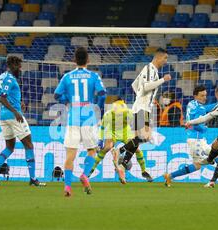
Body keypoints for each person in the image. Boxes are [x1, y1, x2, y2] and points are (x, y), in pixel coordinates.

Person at [163, 85, 218, 187]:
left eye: (205, 95)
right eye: (202, 96)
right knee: (198, 165)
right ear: (195, 96)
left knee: (216, 155)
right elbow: (196, 124)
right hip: (196, 140)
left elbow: (206, 108)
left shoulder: (192, 104)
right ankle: (170, 176)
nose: (204, 98)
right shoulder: (200, 109)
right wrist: (205, 128)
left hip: (198, 139)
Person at [54, 47, 107, 197]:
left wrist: (67, 102)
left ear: (74, 60)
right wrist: (97, 106)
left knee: (70, 155)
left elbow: (57, 94)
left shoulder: (67, 77)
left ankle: (68, 187)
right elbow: (103, 93)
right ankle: (84, 175)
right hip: (88, 118)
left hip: (73, 118)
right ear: (88, 60)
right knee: (92, 150)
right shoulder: (93, 76)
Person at [0, 56, 45, 187]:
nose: (20, 68)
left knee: (10, 147)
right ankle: (33, 179)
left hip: (3, 117)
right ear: (12, 65)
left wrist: (18, 104)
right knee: (29, 145)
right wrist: (15, 111)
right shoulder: (9, 79)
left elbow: (7, 96)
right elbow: (2, 98)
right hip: (13, 117)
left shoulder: (2, 77)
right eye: (18, 65)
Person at [117, 48, 171, 177]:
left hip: (141, 106)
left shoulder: (152, 70)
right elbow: (146, 86)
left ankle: (123, 162)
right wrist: (163, 80)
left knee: (137, 139)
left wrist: (140, 96)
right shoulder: (150, 68)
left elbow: (135, 85)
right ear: (158, 57)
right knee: (145, 137)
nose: (165, 61)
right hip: (142, 107)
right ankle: (120, 150)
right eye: (165, 58)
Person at [88, 98, 153, 184]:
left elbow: (136, 124)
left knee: (137, 149)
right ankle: (91, 170)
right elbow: (103, 128)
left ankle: (144, 171)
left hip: (125, 132)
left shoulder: (129, 113)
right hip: (112, 132)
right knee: (106, 148)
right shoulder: (108, 115)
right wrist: (100, 140)